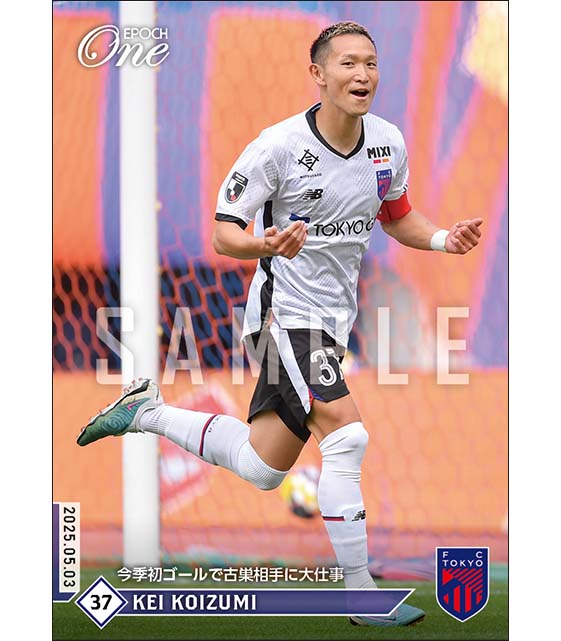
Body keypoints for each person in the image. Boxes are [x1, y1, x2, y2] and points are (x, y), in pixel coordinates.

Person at [77, 21, 482, 627]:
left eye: (370, 63)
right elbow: (224, 233)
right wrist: (264, 243)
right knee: (347, 434)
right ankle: (360, 595)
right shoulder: (278, 148)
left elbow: (397, 216)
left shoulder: (387, 144)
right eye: (347, 63)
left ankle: (146, 412)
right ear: (317, 74)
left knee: (264, 468)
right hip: (281, 317)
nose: (362, 74)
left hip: (330, 326)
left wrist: (446, 239)